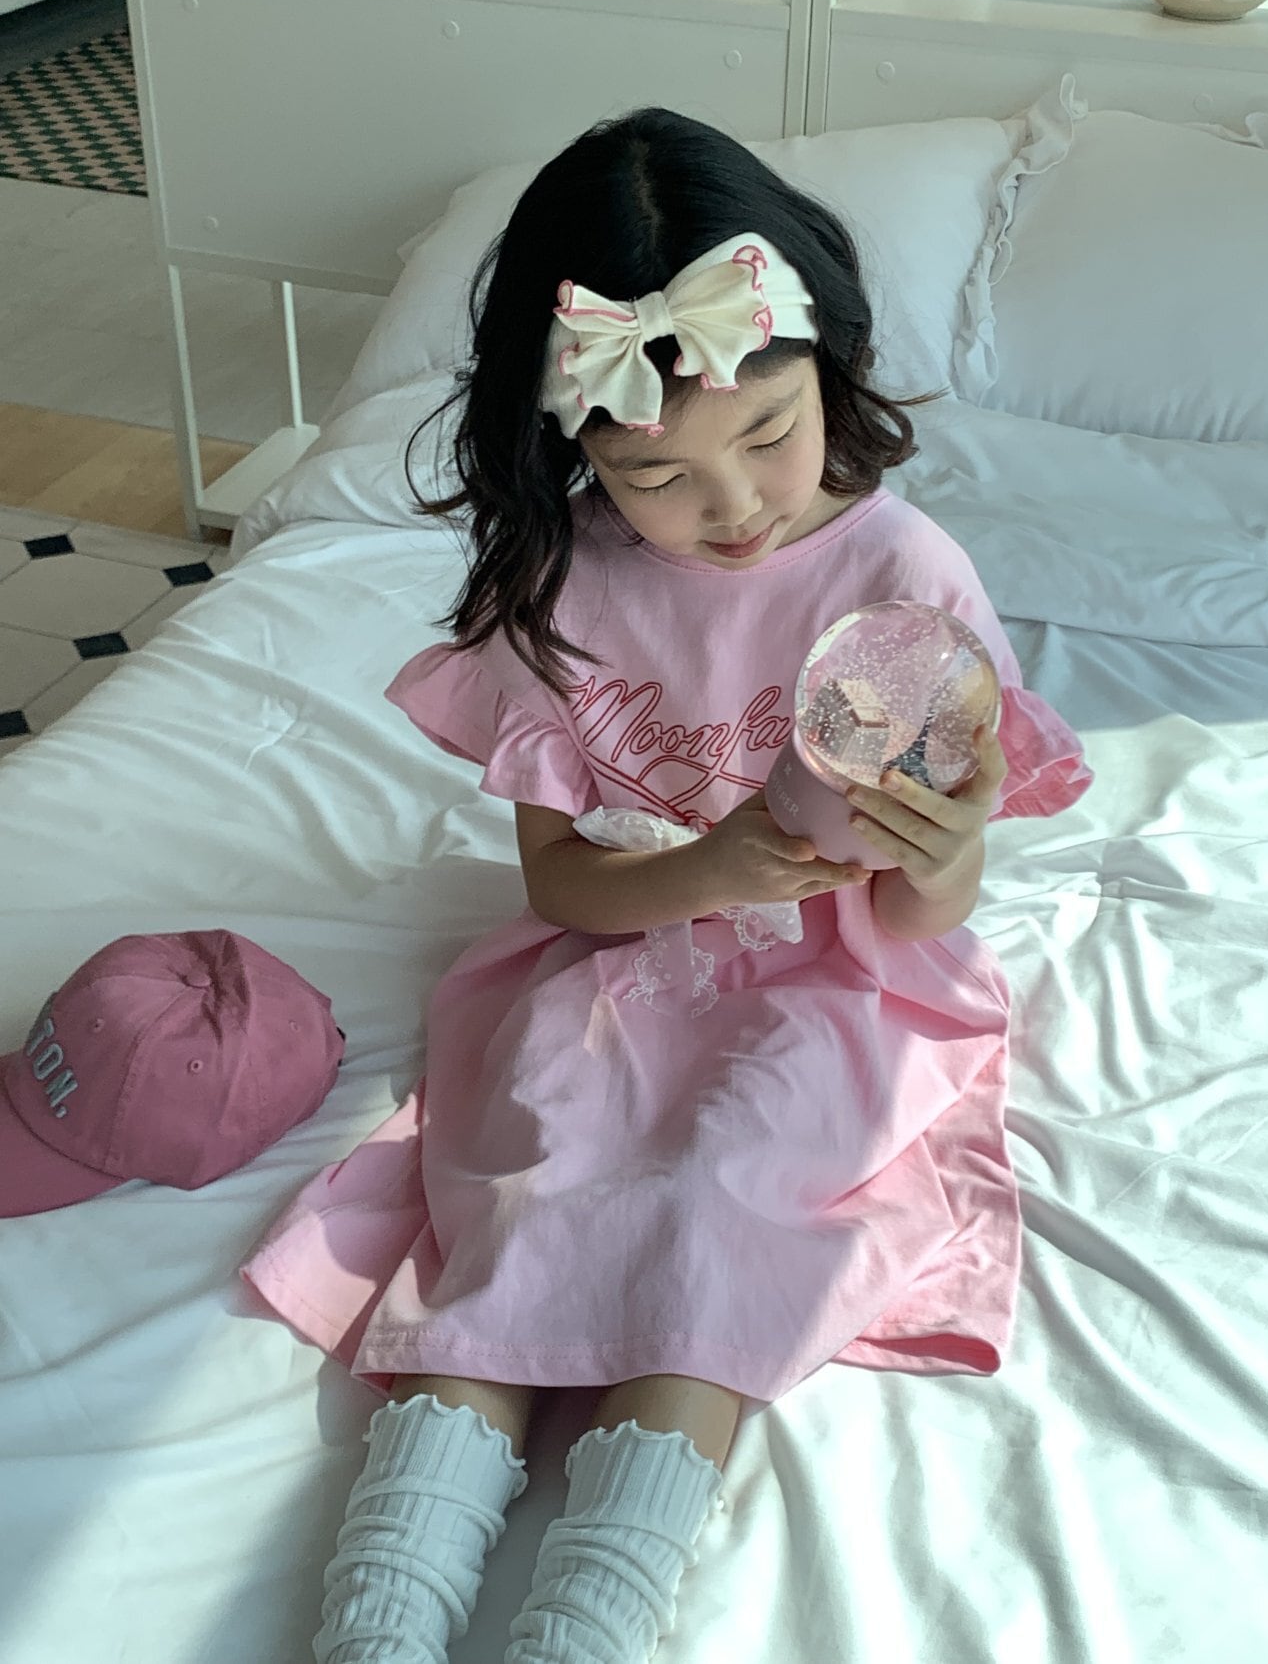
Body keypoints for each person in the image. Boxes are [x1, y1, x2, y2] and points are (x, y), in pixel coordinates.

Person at [239, 106, 1093, 1664]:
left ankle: (591, 1620)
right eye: (656, 473)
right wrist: (710, 865)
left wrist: (939, 846)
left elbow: (921, 916)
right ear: (578, 447)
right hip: (624, 956)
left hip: (838, 979)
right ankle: (382, 1614)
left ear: (828, 363)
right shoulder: (564, 584)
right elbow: (564, 889)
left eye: (769, 435)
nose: (736, 506)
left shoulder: (905, 582)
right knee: (526, 1197)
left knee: (725, 1199)